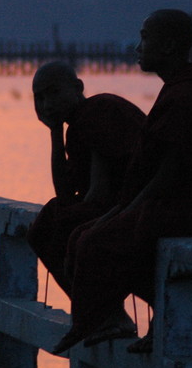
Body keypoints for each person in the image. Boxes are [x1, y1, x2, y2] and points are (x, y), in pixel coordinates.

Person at [53, 9, 192, 354]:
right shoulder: (184, 86)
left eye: (145, 38)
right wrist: (121, 209)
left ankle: (96, 321)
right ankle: (127, 320)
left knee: (97, 241)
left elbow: (168, 171)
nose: (138, 47)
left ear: (169, 45)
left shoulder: (187, 94)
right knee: (86, 234)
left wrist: (124, 210)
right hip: (188, 197)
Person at [26, 60, 146, 342]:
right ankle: (105, 314)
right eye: (39, 98)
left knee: (61, 223)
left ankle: (105, 315)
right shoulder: (75, 128)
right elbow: (65, 195)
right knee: (44, 225)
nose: (47, 104)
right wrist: (54, 133)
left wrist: (71, 215)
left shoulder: (100, 111)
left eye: (54, 93)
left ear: (78, 88)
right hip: (115, 204)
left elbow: (98, 194)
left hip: (136, 203)